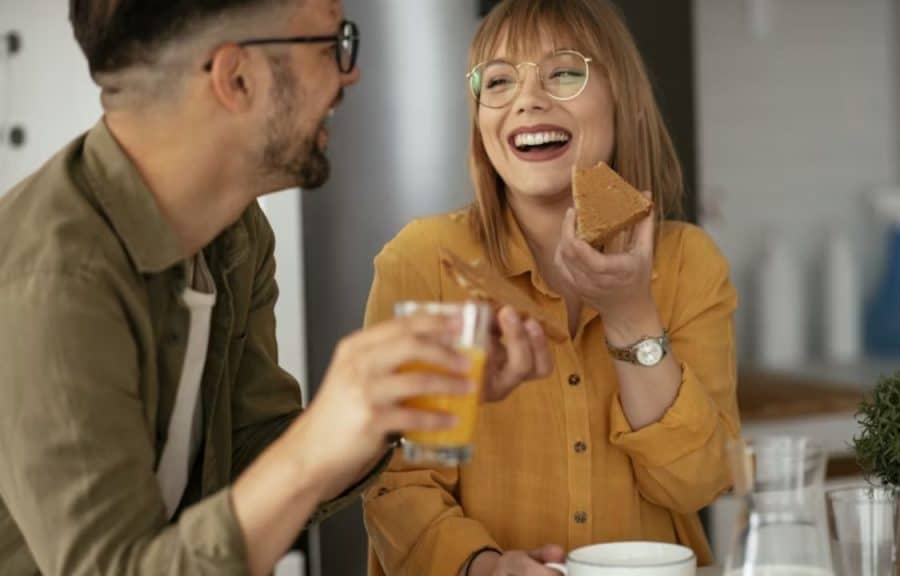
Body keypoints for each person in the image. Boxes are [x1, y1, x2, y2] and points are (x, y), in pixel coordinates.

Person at [0, 1, 550, 574]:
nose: (349, 72)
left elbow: (248, 454)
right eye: (330, 44)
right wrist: (320, 437)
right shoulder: (54, 281)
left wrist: (393, 406)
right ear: (237, 78)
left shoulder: (233, 233)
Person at [362, 0, 741, 574]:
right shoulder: (430, 265)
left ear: (621, 97)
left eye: (564, 72)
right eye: (499, 81)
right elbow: (403, 484)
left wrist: (630, 316)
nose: (527, 99)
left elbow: (698, 482)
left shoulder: (689, 264)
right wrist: (486, 567)